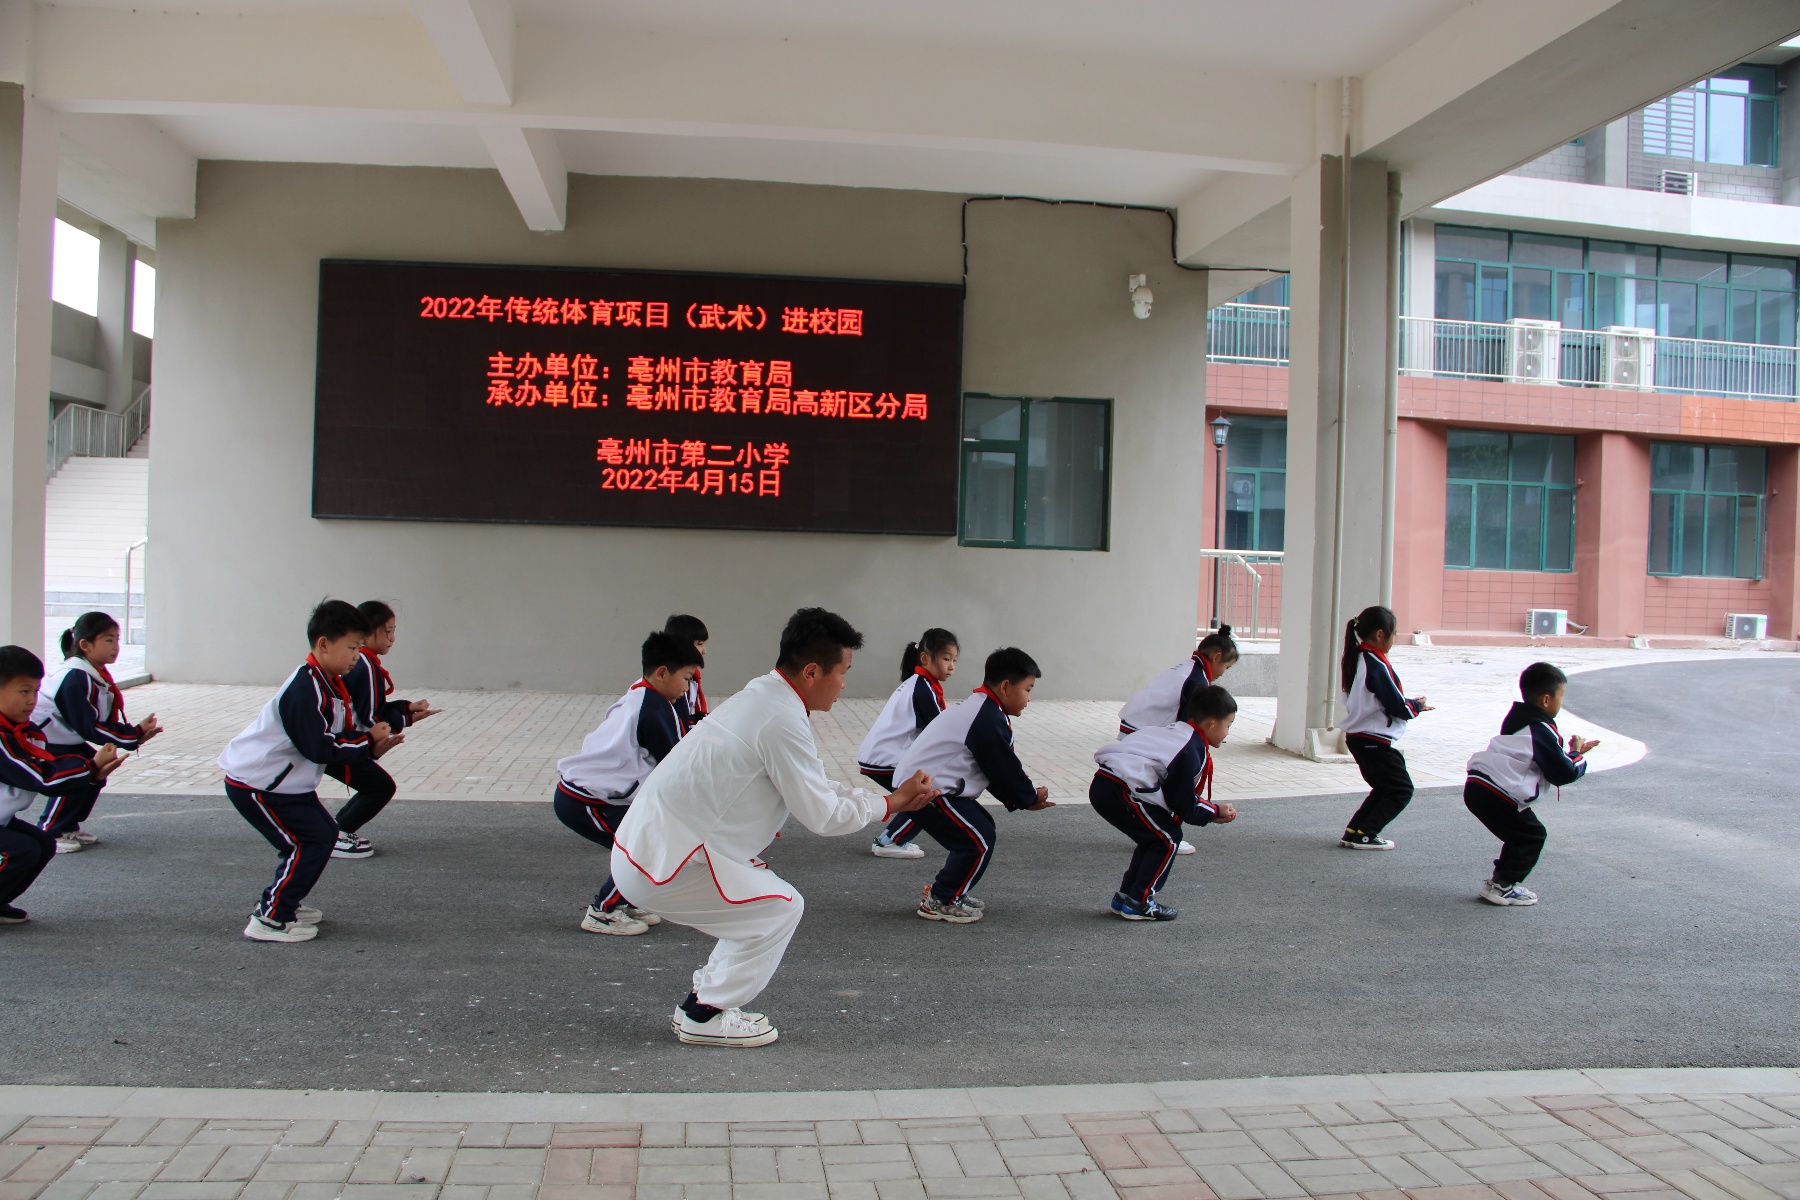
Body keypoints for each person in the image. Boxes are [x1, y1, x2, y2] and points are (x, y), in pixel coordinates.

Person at [610, 608, 938, 1048]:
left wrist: (886, 800)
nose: (845, 684)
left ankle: (706, 1001)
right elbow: (822, 814)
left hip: (648, 851)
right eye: (843, 672)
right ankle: (704, 1014)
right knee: (780, 907)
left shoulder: (766, 696)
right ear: (811, 671)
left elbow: (813, 783)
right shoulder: (780, 717)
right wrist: (888, 805)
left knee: (760, 905)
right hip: (664, 863)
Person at [216, 600, 403, 943]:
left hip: (285, 784)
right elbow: (318, 747)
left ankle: (284, 903)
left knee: (319, 837)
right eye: (351, 647)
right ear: (324, 644)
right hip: (259, 784)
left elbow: (337, 737)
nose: (356, 656)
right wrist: (366, 742)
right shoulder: (305, 687)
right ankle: (272, 917)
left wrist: (369, 743)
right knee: (311, 840)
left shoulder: (327, 681)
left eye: (359, 647)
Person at [555, 630, 701, 936]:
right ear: (662, 673)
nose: (687, 686)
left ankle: (625, 900)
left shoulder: (644, 693)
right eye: (686, 678)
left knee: (649, 844)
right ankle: (603, 911)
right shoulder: (656, 709)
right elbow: (676, 767)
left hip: (595, 797)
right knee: (643, 850)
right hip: (585, 801)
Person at [894, 647, 1053, 924]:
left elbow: (990, 767)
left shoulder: (986, 709)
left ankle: (953, 892)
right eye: (1028, 689)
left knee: (982, 829)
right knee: (975, 839)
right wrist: (1027, 797)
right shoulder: (985, 716)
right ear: (1005, 686)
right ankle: (942, 899)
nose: (1029, 698)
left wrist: (1021, 798)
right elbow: (1003, 766)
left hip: (934, 785)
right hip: (925, 788)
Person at [1091, 683, 1240, 920]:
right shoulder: (1191, 749)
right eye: (1228, 725)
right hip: (1121, 790)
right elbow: (1181, 801)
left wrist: (1208, 810)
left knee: (1154, 837)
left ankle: (1126, 897)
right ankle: (1139, 902)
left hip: (1107, 784)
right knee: (1167, 839)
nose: (1228, 732)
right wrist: (1213, 811)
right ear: (1212, 723)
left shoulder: (1179, 732)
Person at [0, 646, 118, 925]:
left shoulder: (23, 731)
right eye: (23, 691)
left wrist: (92, 775)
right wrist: (90, 767)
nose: (32, 700)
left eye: (35, 691)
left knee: (42, 843)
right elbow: (41, 778)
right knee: (21, 849)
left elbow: (49, 769)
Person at [1463, 662, 1598, 907]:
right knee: (1532, 835)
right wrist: (1577, 755)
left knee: (1520, 834)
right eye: (1561, 696)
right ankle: (1503, 886)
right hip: (1498, 793)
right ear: (1547, 700)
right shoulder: (1540, 730)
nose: (1561, 702)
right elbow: (1563, 774)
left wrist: (1567, 754)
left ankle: (1499, 883)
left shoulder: (1517, 719)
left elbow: (1541, 758)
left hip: (1479, 786)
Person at [31, 611, 162, 853]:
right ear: (85, 645)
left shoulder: (90, 673)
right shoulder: (74, 677)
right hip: (43, 739)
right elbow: (89, 727)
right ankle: (50, 830)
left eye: (117, 639)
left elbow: (93, 722)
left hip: (61, 737)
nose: (116, 647)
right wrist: (132, 735)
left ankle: (67, 825)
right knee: (78, 771)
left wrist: (132, 735)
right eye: (108, 640)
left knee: (96, 771)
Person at [327, 600, 441, 860]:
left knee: (374, 786)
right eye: (386, 631)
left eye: (393, 631)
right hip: (344, 741)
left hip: (343, 739)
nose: (391, 638)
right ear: (366, 632)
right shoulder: (366, 665)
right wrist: (380, 736)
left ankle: (337, 831)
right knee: (380, 787)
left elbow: (371, 708)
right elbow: (368, 717)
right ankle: (337, 833)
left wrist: (407, 710)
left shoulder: (367, 663)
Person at [1117, 625, 1239, 856]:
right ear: (1216, 657)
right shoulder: (1196, 679)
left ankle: (1156, 832)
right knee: (1167, 788)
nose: (1223, 672)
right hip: (1143, 733)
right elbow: (1189, 721)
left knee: (1151, 789)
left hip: (1137, 731)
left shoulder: (1188, 668)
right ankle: (1165, 834)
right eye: (1226, 666)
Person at [1338, 605, 1432, 850]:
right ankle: (1366, 835)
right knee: (1401, 789)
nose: (1394, 639)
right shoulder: (1374, 662)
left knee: (1384, 788)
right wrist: (1416, 706)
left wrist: (1409, 705)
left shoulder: (1357, 658)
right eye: (1394, 633)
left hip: (1360, 737)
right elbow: (1395, 704)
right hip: (1372, 739)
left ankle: (1354, 832)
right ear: (1380, 634)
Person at [860, 628, 958, 859]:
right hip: (886, 759)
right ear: (925, 658)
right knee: (928, 793)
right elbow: (939, 732)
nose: (952, 666)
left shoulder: (921, 683)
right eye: (946, 659)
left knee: (923, 793)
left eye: (954, 660)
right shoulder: (923, 689)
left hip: (879, 756)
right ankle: (890, 841)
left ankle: (889, 839)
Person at [665, 614, 710, 734]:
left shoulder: (692, 677)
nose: (704, 651)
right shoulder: (672, 683)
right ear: (683, 645)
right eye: (699, 644)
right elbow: (679, 725)